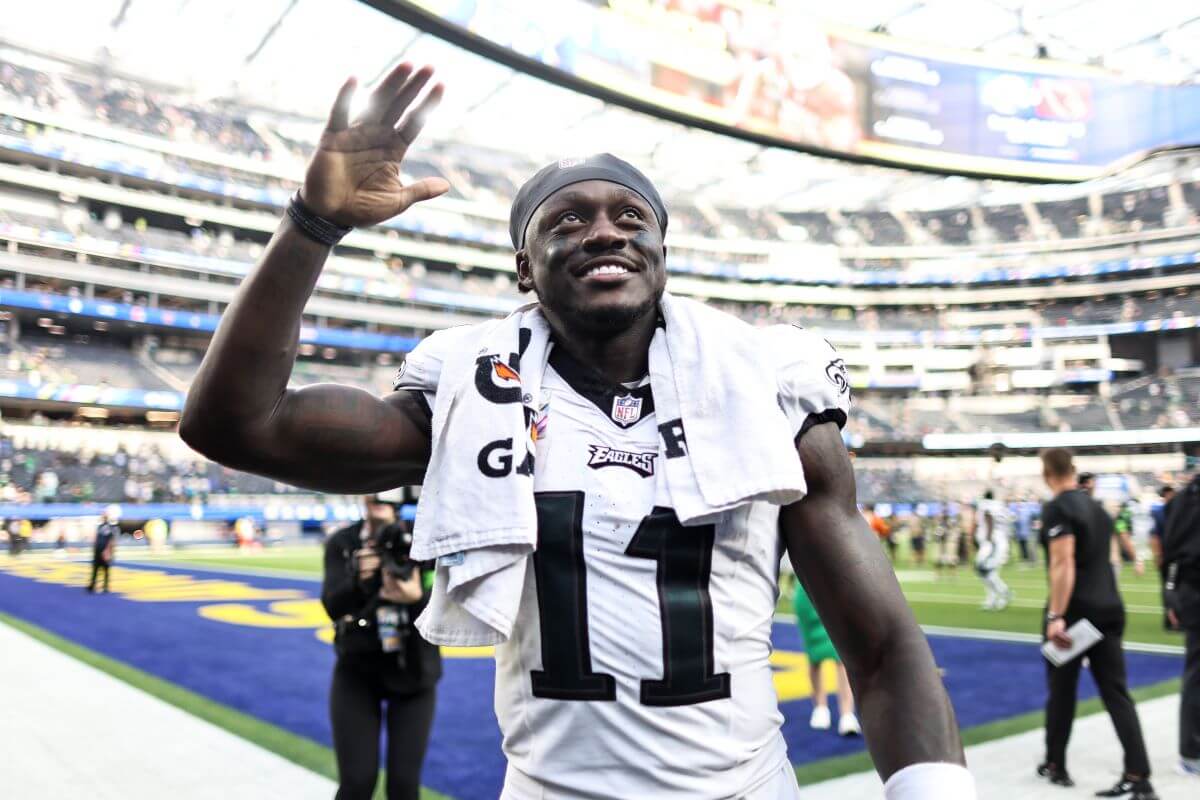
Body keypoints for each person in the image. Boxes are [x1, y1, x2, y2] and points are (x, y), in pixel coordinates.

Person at [180, 63, 972, 799]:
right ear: (524, 268)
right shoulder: (468, 394)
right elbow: (237, 426)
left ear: (662, 253)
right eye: (567, 220)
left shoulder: (766, 389)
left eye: (631, 217)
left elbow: (881, 647)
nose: (604, 232)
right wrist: (312, 225)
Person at [1037, 448, 1157, 798]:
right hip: (1109, 606)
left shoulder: (1058, 507)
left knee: (1062, 690)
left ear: (1047, 473)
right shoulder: (1098, 508)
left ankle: (1056, 763)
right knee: (1116, 693)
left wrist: (1055, 615)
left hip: (1076, 612)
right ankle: (1138, 775)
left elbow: (1063, 564)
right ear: (1073, 470)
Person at [322, 496, 441, 800]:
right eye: (376, 490)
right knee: (357, 783)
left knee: (404, 786)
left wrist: (415, 599)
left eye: (391, 490)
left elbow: (447, 610)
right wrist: (359, 581)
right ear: (364, 493)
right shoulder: (343, 542)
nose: (382, 496)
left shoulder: (426, 538)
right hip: (358, 670)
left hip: (415, 670)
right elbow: (333, 606)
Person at [1159, 473, 1200, 778]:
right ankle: (1191, 754)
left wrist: (1170, 598)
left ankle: (1191, 753)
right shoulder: (1185, 499)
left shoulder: (1182, 498)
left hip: (1189, 591)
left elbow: (1168, 553)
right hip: (1193, 588)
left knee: (1195, 675)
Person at [792, 579, 859, 736]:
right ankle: (820, 708)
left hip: (835, 590)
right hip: (806, 592)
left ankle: (847, 714)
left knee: (842, 656)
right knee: (814, 657)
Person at [975, 490, 1013, 611]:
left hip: (992, 543)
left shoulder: (986, 505)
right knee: (986, 571)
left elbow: (989, 517)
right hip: (1000, 541)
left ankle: (1004, 593)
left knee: (984, 570)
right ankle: (992, 598)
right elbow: (1007, 525)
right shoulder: (1000, 506)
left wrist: (989, 539)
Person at [87, 505, 119, 594]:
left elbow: (112, 540)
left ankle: (105, 586)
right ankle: (92, 585)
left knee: (105, 570)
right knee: (95, 569)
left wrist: (108, 551)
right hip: (98, 550)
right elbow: (97, 538)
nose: (103, 515)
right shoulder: (100, 526)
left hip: (105, 551)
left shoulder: (112, 527)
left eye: (105, 514)